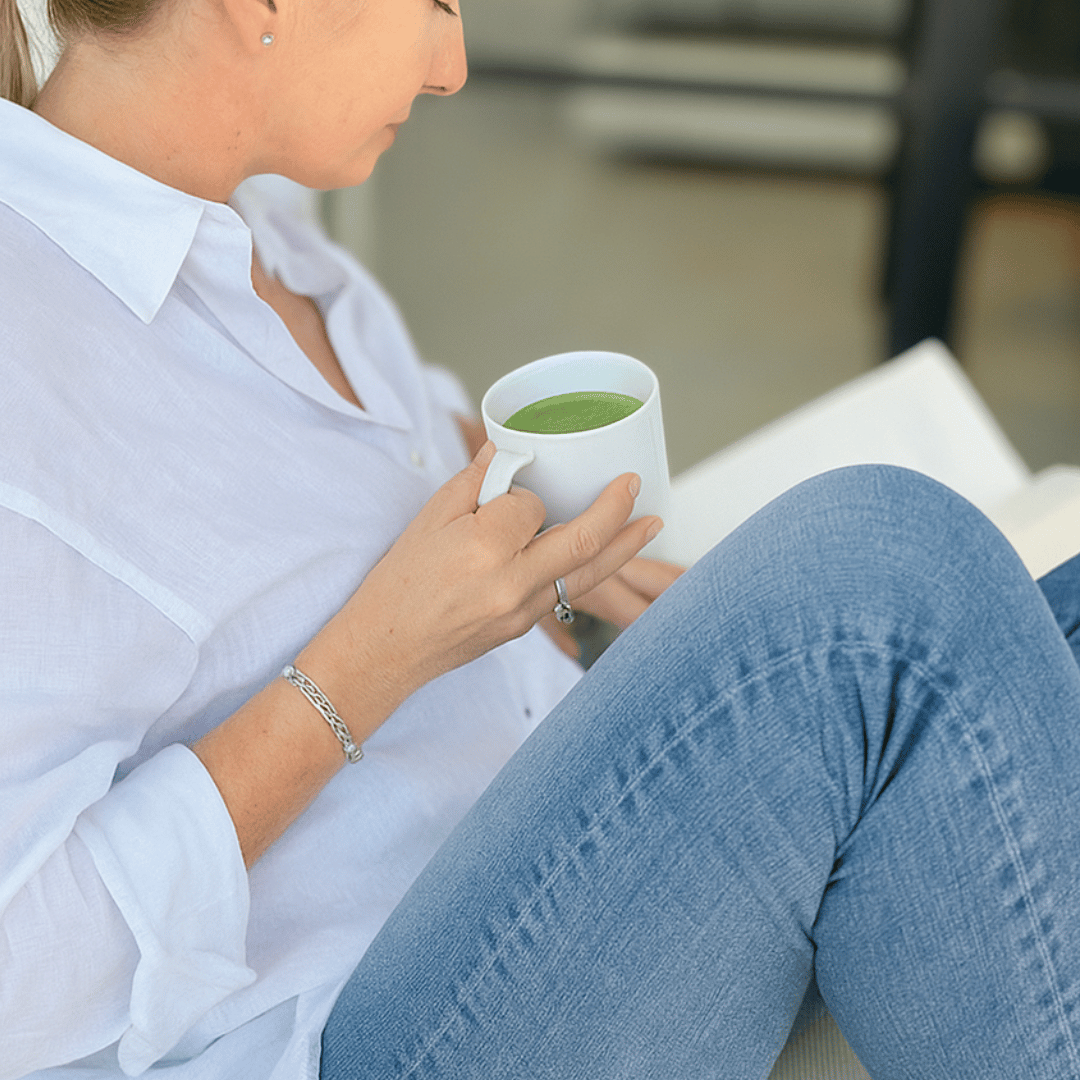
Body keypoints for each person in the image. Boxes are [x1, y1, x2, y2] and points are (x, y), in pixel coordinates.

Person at [2, 1, 1080, 1078]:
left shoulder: (254, 214)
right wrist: (373, 658)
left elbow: (339, 470)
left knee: (1043, 615)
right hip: (359, 1023)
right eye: (435, 4)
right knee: (883, 595)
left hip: (538, 827)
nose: (454, 66)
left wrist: (537, 549)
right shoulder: (32, 369)